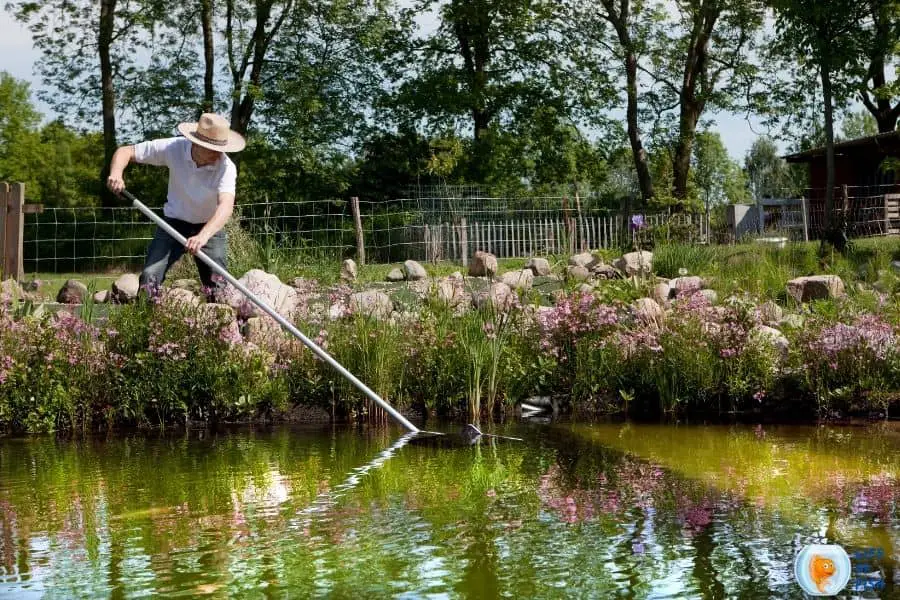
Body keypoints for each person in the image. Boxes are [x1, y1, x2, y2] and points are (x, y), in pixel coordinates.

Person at [105, 113, 246, 299]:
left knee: (218, 285)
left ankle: (222, 325)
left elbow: (226, 206)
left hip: (208, 227)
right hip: (173, 224)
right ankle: (146, 322)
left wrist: (202, 236)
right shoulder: (173, 148)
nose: (218, 154)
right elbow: (126, 151)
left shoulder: (226, 167)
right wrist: (116, 174)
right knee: (150, 276)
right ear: (197, 144)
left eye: (220, 149)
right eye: (213, 149)